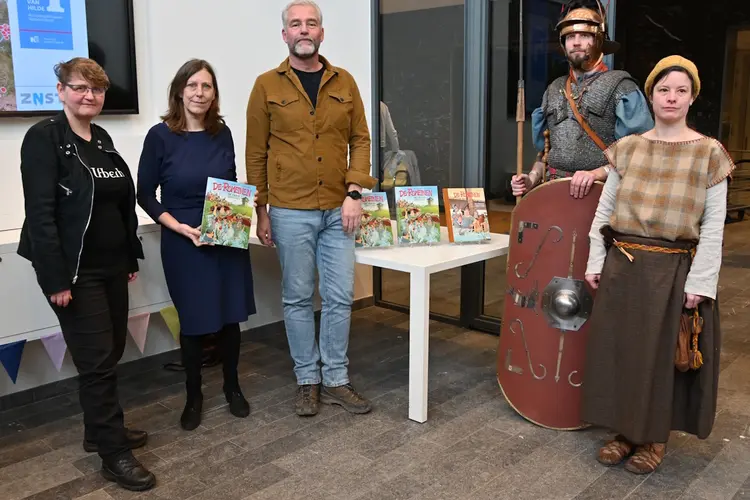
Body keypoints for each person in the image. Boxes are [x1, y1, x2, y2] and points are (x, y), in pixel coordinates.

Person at [582, 56, 734, 474]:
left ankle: (653, 438)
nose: (671, 97)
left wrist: (701, 281)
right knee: (623, 353)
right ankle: (624, 431)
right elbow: (605, 211)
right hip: (624, 265)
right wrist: (596, 260)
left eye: (680, 90)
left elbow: (714, 225)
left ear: (691, 99)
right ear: (650, 96)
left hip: (674, 271)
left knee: (661, 357)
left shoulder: (710, 154)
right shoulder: (627, 149)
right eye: (664, 89)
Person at [17, 57, 155, 491]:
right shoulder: (44, 139)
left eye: (96, 89)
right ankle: (113, 454)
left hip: (113, 266)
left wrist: (130, 258)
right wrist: (55, 278)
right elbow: (40, 215)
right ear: (61, 91)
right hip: (76, 273)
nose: (88, 96)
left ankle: (99, 430)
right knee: (96, 363)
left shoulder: (103, 138)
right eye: (79, 88)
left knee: (111, 351)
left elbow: (119, 204)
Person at [246, 0, 376, 417]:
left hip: (341, 208)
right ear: (285, 34)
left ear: (322, 32)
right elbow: (255, 154)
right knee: (298, 297)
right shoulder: (266, 85)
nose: (304, 30)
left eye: (311, 23)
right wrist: (261, 210)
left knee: (339, 297)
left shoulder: (346, 82)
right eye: (295, 24)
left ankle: (336, 377)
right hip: (289, 210)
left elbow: (361, 140)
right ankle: (308, 379)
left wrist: (355, 192)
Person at [137, 59, 256, 431]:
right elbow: (144, 194)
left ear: (214, 93)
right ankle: (194, 395)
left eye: (206, 86)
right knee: (193, 322)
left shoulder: (223, 132)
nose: (199, 93)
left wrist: (235, 220)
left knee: (230, 316)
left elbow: (232, 181)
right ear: (179, 91)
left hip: (225, 237)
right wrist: (181, 228)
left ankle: (233, 387)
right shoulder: (160, 136)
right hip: (183, 240)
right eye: (192, 86)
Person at [510, 0, 653, 199]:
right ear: (563, 43)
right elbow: (545, 154)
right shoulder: (554, 89)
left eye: (585, 35)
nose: (576, 42)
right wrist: (531, 179)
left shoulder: (622, 88)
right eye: (570, 36)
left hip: (602, 197)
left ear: (598, 40)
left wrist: (596, 174)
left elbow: (639, 154)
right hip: (554, 194)